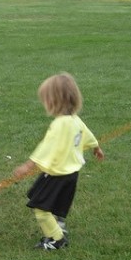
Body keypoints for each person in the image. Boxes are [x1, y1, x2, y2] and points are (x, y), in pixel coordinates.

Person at [14, 72, 104, 250]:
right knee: (56, 203)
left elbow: (47, 146)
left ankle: (57, 239)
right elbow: (87, 135)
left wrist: (28, 165)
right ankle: (59, 226)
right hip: (71, 174)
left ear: (55, 101)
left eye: (45, 99)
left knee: (40, 208)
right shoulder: (75, 120)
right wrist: (96, 147)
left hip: (57, 174)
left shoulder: (59, 125)